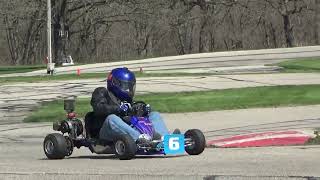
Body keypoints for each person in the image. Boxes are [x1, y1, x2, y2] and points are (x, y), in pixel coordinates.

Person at [85, 67, 172, 143]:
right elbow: (99, 108)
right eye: (126, 86)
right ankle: (140, 139)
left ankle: (165, 138)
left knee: (154, 115)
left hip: (126, 132)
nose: (129, 90)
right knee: (112, 118)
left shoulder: (127, 100)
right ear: (115, 83)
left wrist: (142, 110)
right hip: (104, 132)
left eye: (130, 87)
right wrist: (118, 109)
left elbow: (131, 114)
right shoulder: (102, 92)